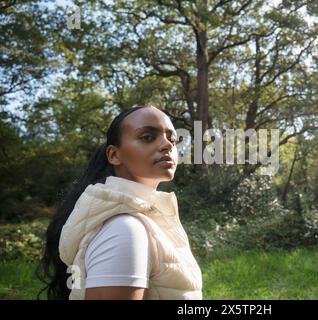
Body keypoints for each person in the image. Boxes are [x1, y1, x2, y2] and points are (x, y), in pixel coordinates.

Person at [37, 105, 202, 300]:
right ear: (114, 155)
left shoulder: (145, 219)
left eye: (172, 139)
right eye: (148, 137)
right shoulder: (125, 229)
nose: (167, 145)